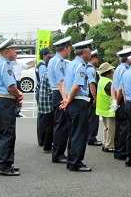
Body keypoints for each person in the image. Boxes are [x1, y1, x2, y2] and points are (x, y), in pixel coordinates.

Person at [60, 39, 93, 172]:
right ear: (84, 52)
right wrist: (69, 100)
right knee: (79, 133)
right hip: (78, 101)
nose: (91, 53)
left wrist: (66, 99)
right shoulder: (80, 66)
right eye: (89, 50)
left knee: (73, 132)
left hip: (72, 102)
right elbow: (76, 86)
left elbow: (64, 84)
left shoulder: (71, 64)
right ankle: (76, 162)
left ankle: (71, 160)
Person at [0, 39, 23, 176]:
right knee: (8, 134)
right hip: (5, 101)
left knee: (5, 133)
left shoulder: (0, 63)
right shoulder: (5, 64)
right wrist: (19, 95)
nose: (15, 52)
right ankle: (5, 166)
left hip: (0, 101)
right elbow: (10, 87)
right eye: (13, 50)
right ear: (6, 52)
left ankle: (5, 163)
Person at [48, 36, 72, 164]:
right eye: (69, 49)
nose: (70, 52)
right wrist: (65, 99)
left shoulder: (54, 60)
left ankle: (58, 152)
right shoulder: (59, 62)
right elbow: (61, 82)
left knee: (60, 124)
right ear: (65, 48)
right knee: (61, 125)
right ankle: (58, 154)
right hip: (59, 93)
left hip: (57, 93)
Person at [111, 47, 131, 161]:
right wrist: (119, 100)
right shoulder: (125, 70)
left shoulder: (118, 69)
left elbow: (113, 86)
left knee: (119, 126)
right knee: (124, 127)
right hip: (122, 99)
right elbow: (120, 88)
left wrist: (114, 100)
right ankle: (122, 151)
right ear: (129, 59)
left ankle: (117, 150)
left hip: (117, 99)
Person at [36, 48, 54, 153]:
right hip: (46, 98)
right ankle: (43, 141)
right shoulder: (44, 68)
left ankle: (43, 140)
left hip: (42, 94)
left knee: (44, 120)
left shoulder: (40, 65)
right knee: (47, 122)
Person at [95, 63, 115, 153]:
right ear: (108, 72)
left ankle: (105, 142)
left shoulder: (101, 80)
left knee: (106, 127)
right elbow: (113, 94)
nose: (113, 72)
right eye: (111, 70)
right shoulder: (108, 82)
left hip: (102, 108)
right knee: (111, 128)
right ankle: (110, 145)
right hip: (109, 108)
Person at [85, 49, 102, 146]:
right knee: (93, 118)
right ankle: (91, 137)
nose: (98, 61)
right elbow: (92, 85)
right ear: (93, 58)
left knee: (88, 117)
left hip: (86, 97)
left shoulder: (86, 67)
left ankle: (88, 136)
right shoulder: (91, 69)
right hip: (91, 96)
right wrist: (95, 97)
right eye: (97, 58)